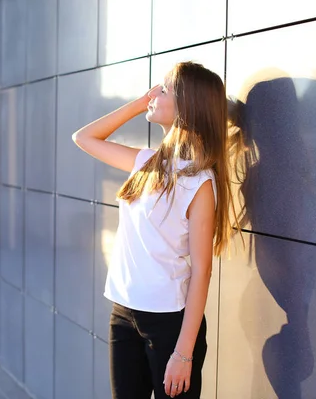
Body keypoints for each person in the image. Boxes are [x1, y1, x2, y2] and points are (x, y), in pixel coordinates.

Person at [73, 62, 241, 399]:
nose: (154, 93)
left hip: (168, 324)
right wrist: (140, 103)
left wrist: (183, 353)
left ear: (186, 105)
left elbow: (203, 272)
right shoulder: (147, 162)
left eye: (163, 89)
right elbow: (84, 137)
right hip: (123, 312)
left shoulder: (199, 182)